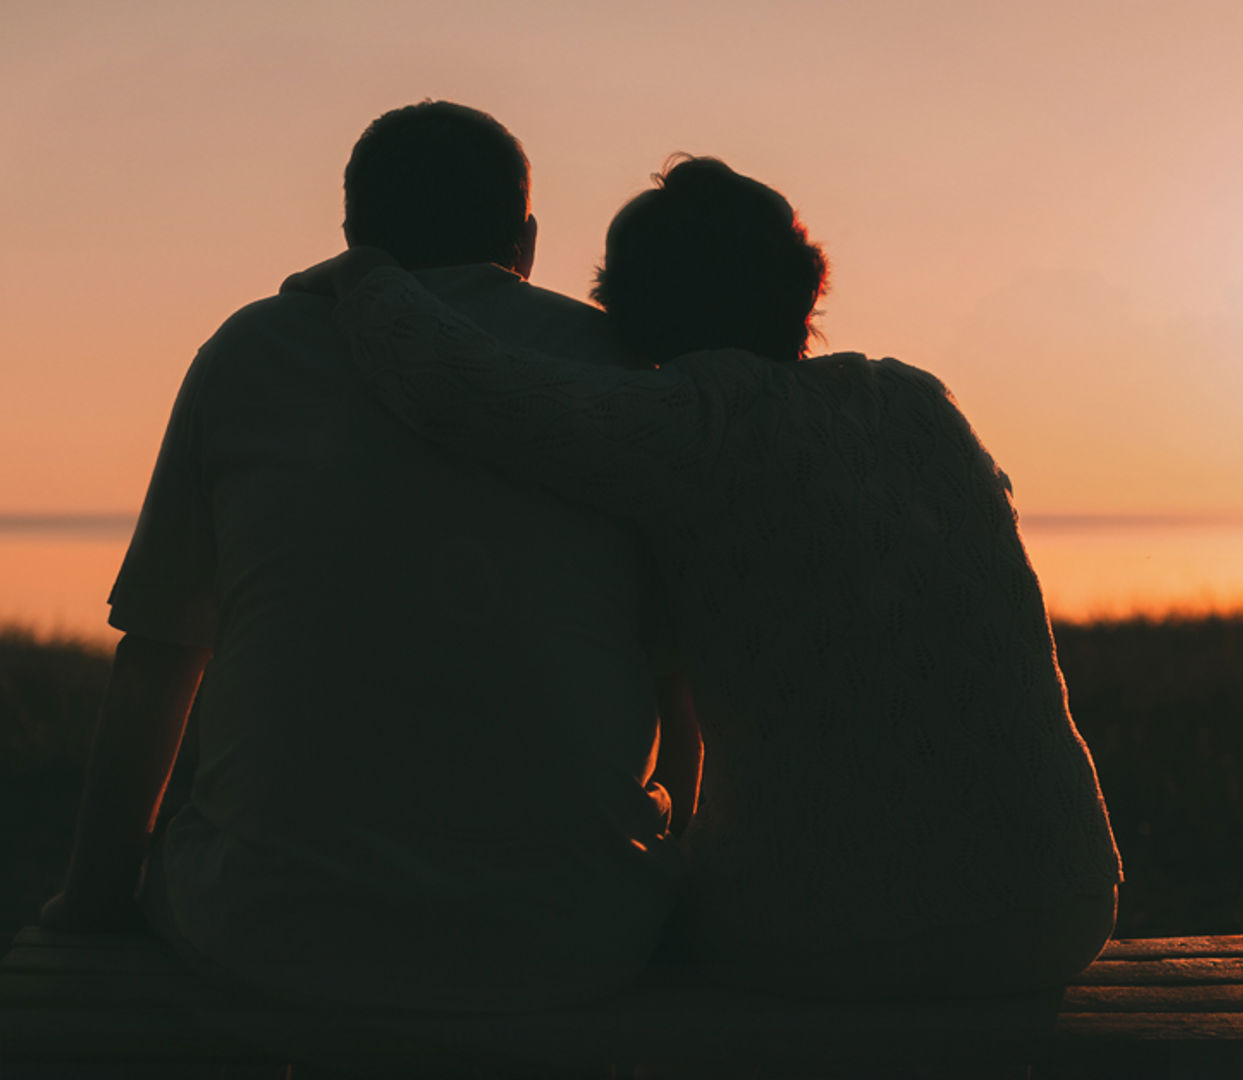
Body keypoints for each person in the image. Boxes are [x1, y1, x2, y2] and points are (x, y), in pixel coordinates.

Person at [288, 156, 1123, 995]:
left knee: (610, 948)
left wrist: (371, 276)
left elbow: (462, 394)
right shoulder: (919, 403)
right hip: (1060, 905)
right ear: (802, 287)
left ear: (629, 313)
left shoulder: (694, 423)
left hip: (832, 932)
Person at [39, 101, 685, 1011]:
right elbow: (678, 673)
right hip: (572, 938)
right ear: (527, 240)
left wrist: (91, 901)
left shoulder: (250, 351)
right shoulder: (614, 366)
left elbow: (159, 655)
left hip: (267, 930)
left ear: (350, 236)